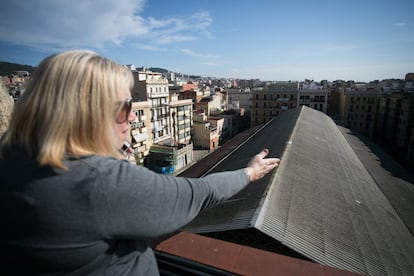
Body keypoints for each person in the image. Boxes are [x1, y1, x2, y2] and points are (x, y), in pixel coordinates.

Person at [0, 50, 280, 275]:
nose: (133, 117)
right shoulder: (97, 181)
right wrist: (249, 172)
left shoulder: (11, 157)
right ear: (91, 115)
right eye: (126, 107)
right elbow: (198, 194)